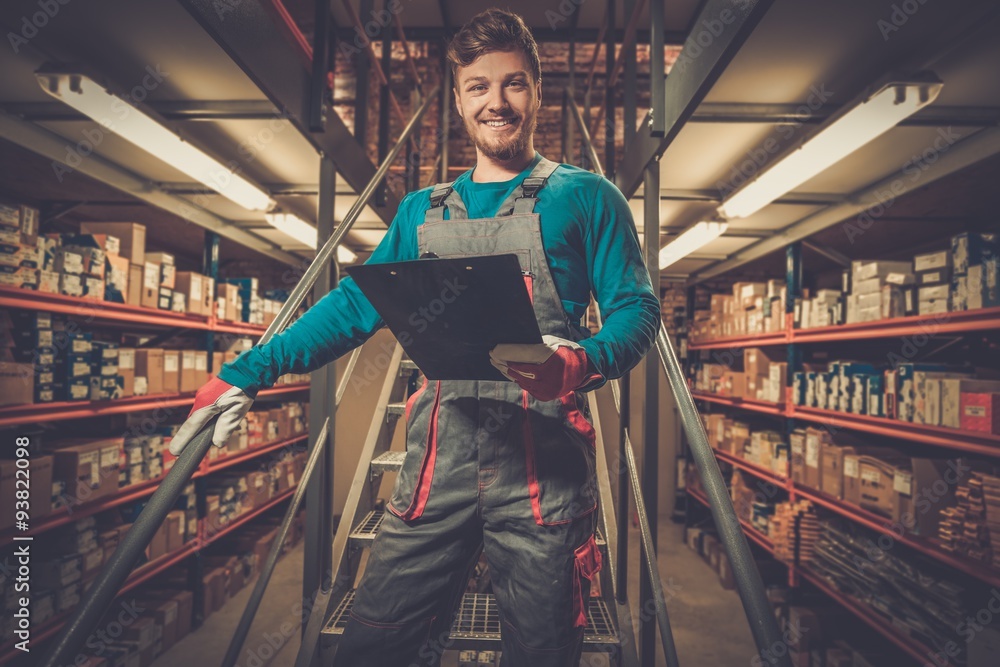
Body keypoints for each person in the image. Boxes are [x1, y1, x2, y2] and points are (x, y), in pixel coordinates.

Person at [168, 9, 659, 666]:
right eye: (479, 86)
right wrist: (249, 370)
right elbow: (353, 306)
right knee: (375, 647)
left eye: (514, 83)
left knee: (544, 651)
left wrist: (579, 361)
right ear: (458, 99)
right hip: (436, 467)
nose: (497, 101)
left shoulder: (586, 198)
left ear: (537, 91)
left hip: (544, 473)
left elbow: (635, 310)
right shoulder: (421, 213)